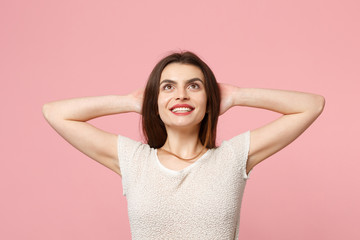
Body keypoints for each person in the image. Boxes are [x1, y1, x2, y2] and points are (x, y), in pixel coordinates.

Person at [42, 51, 325, 239]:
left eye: (194, 86)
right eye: (167, 87)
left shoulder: (233, 157)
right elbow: (55, 113)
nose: (181, 95)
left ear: (209, 99)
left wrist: (237, 94)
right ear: (154, 101)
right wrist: (129, 101)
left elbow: (311, 106)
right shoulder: (134, 160)